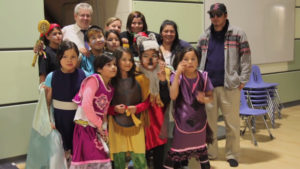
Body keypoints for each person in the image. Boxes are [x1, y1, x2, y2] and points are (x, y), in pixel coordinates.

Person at [196, 3, 251, 167]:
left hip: (230, 86)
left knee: (232, 123)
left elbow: (246, 59)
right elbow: (197, 59)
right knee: (210, 124)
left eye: (218, 14)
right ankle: (211, 153)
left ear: (225, 15)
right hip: (208, 87)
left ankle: (232, 154)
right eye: (212, 15)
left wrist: (243, 80)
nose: (215, 18)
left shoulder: (238, 34)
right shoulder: (204, 36)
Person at [167, 47, 213, 169]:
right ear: (180, 62)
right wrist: (177, 74)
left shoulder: (203, 76)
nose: (190, 62)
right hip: (182, 121)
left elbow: (210, 97)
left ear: (198, 61)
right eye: (186, 59)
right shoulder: (176, 76)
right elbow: (173, 95)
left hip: (199, 120)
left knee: (201, 149)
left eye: (193, 59)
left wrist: (205, 99)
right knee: (177, 149)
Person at [70, 53, 117, 169]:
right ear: (99, 69)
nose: (113, 67)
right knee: (92, 160)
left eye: (115, 64)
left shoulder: (110, 89)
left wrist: (104, 130)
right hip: (84, 126)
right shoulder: (94, 80)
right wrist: (99, 124)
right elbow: (86, 105)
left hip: (95, 129)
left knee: (100, 159)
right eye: (109, 64)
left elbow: (104, 113)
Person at [45, 41, 87, 161]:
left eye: (73, 56)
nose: (69, 60)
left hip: (78, 120)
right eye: (65, 56)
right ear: (59, 58)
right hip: (59, 119)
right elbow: (47, 103)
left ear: (78, 57)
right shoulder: (51, 76)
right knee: (60, 152)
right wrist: (49, 120)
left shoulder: (84, 75)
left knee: (77, 150)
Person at [108, 47, 148, 169]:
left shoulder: (141, 79)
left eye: (130, 60)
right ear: (116, 61)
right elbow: (103, 105)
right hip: (115, 124)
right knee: (119, 158)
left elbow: (147, 102)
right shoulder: (109, 81)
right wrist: (113, 109)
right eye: (124, 60)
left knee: (139, 156)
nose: (128, 63)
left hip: (136, 122)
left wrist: (137, 108)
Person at [135, 33, 171, 169]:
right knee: (142, 145)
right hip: (141, 114)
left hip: (159, 114)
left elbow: (166, 100)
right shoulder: (136, 73)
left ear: (158, 57)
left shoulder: (165, 72)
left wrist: (162, 82)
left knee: (159, 144)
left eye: (154, 56)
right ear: (140, 57)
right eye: (146, 56)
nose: (150, 60)